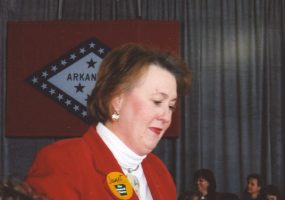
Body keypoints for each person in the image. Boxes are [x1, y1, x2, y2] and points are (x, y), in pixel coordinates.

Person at [24, 43, 192, 200]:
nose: (166, 117)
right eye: (156, 101)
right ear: (117, 100)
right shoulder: (63, 161)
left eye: (171, 106)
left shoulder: (159, 171)